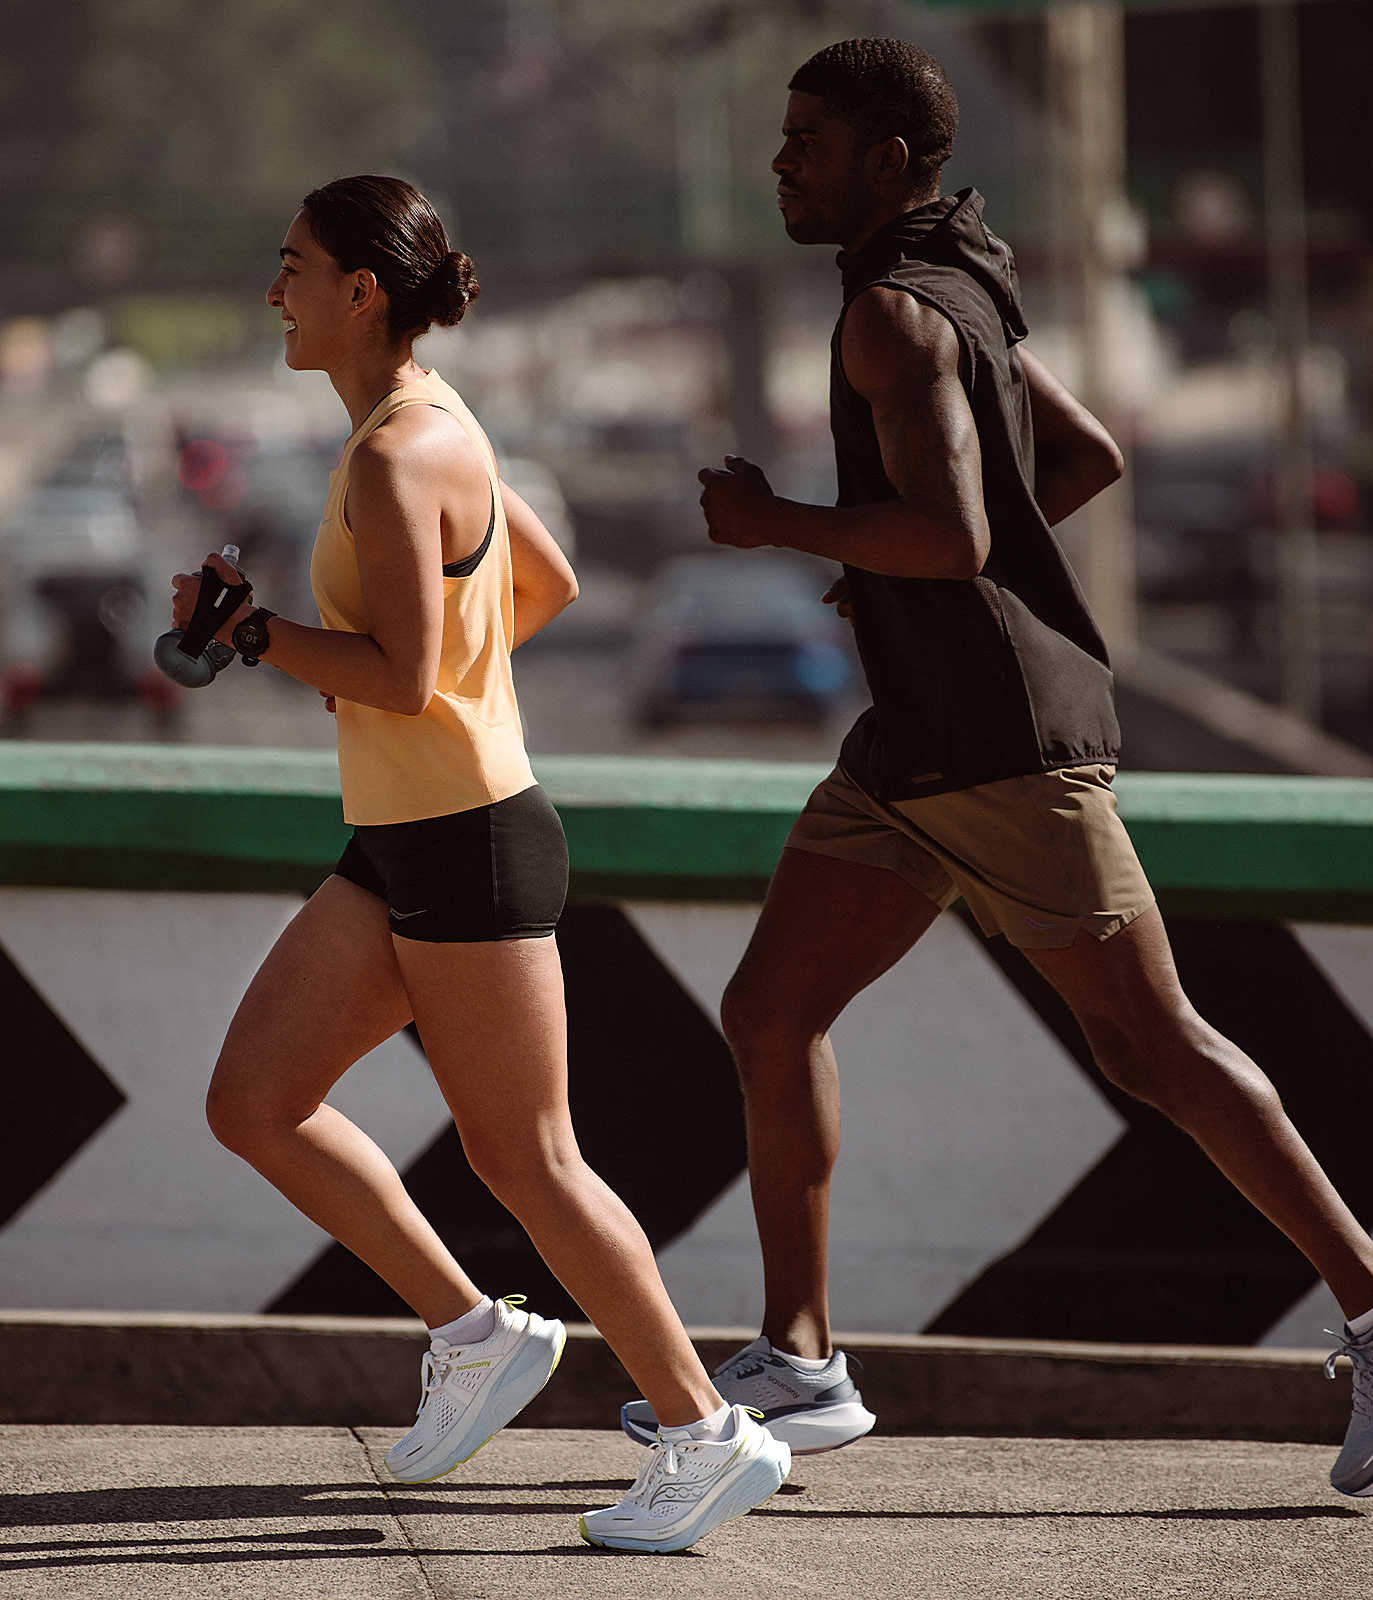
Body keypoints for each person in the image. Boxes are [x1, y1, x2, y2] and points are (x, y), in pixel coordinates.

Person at [618, 40, 1373, 1500]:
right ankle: (804, 1357)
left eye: (812, 140)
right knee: (771, 1009)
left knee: (1151, 1045)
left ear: (890, 159)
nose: (785, 162)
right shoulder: (955, 287)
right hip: (916, 747)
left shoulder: (895, 317)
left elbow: (956, 533)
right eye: (786, 138)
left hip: (1003, 751)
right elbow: (1076, 460)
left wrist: (784, 526)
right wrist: (887, 574)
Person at [171, 174, 787, 1552]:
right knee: (255, 1101)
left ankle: (705, 1431)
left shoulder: (396, 454)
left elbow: (395, 677)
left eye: (292, 266)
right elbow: (545, 582)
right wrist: (426, 678)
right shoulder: (435, 419)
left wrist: (258, 637)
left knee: (534, 1161)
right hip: (408, 841)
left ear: (360, 291)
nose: (273, 290)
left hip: (469, 847)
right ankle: (476, 1332)